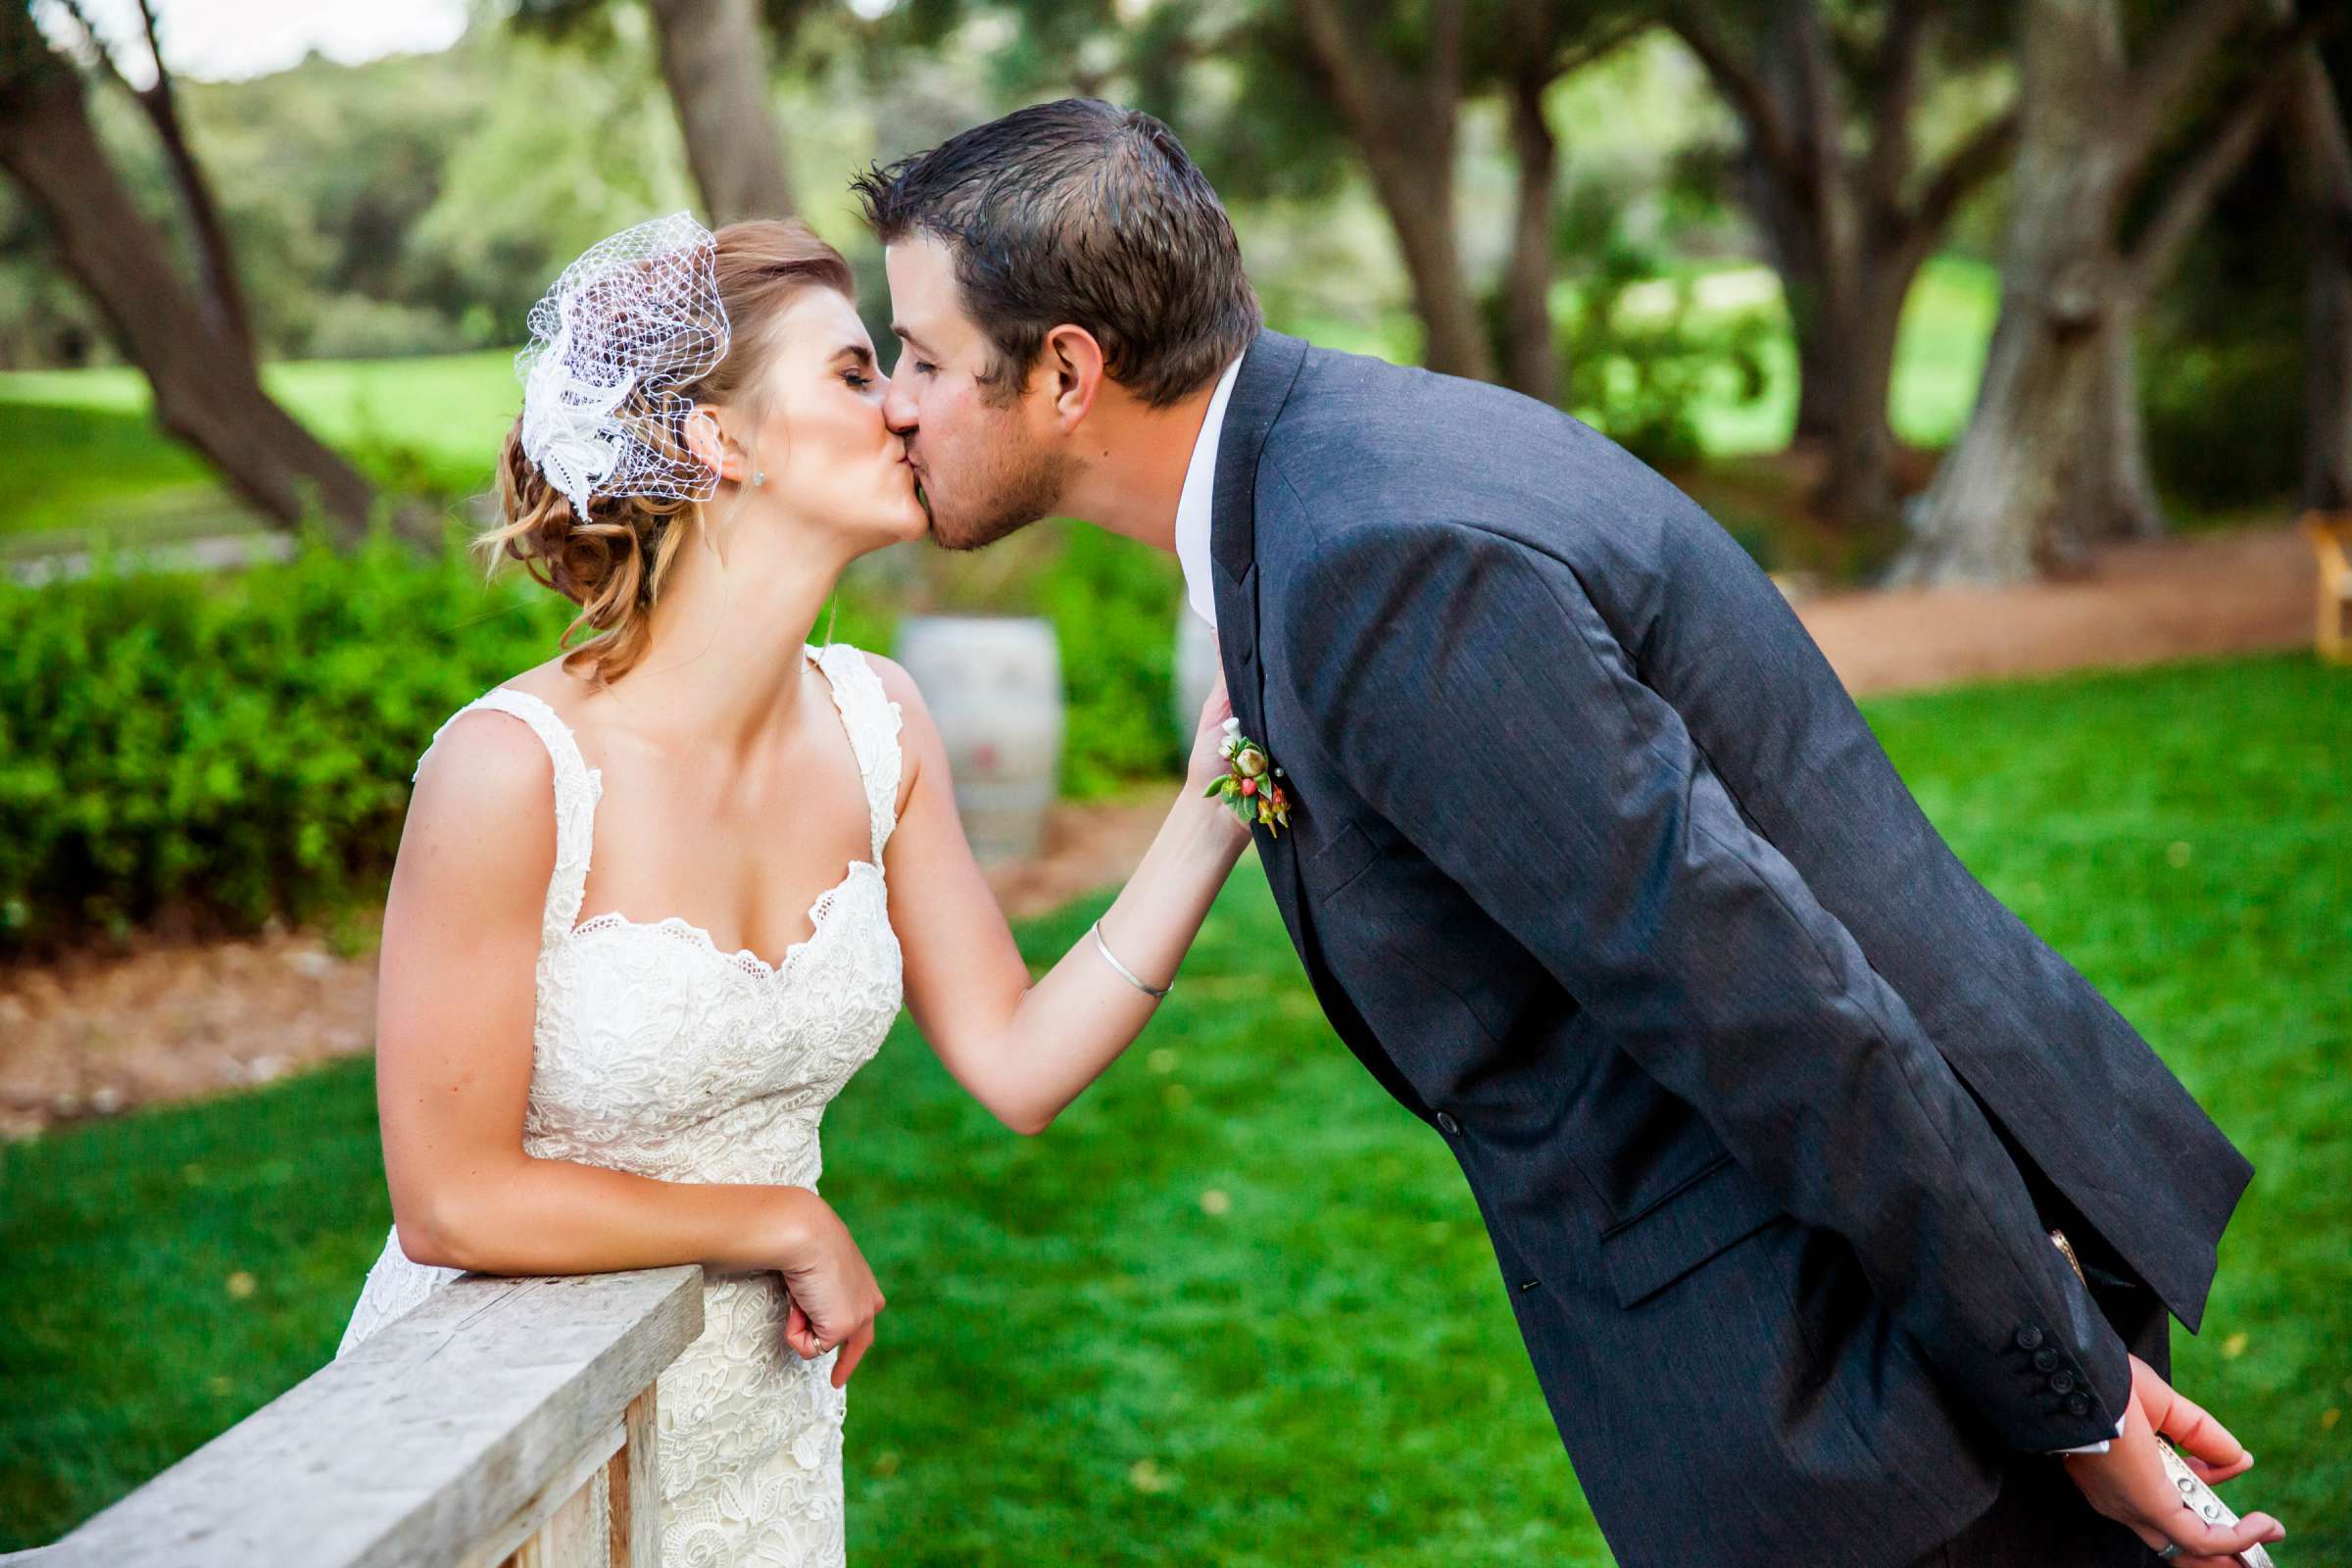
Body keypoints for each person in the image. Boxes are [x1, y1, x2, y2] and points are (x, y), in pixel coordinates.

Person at [852, 99, 2285, 1568]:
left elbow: (1776, 1005)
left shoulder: (1378, 564)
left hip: (1880, 1399)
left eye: (923, 357)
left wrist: (2071, 1397)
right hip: (1866, 1333)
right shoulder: (1322, 473)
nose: (897, 398)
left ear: (1069, 374)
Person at [335, 212, 1252, 1567]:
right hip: (503, 1437)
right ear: (720, 439)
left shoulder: (882, 725)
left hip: (761, 1438)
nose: (904, 410)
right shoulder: (509, 773)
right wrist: (779, 1221)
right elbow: (450, 1198)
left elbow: (1016, 1062)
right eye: (851, 372)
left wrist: (1212, 804)